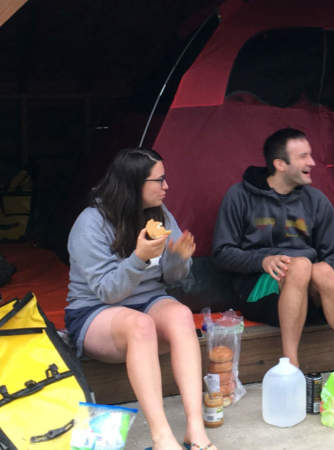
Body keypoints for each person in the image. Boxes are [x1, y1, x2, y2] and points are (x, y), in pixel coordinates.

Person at [64, 148, 215, 450]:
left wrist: (178, 259)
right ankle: (162, 438)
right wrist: (138, 258)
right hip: (95, 311)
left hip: (146, 302)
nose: (166, 187)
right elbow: (108, 291)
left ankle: (195, 428)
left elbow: (170, 278)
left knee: (182, 314)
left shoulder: (160, 214)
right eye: (159, 180)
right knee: (141, 325)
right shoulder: (90, 223)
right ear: (134, 185)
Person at [212, 128, 334, 374]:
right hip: (259, 293)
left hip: (310, 297)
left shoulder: (315, 200)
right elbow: (222, 252)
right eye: (303, 157)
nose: (313, 162)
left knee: (325, 270)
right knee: (300, 265)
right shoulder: (239, 196)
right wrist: (262, 261)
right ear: (280, 164)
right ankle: (290, 364)